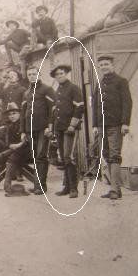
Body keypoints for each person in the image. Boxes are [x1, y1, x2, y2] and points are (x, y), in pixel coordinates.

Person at [92, 54, 133, 200]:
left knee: (115, 156)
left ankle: (115, 189)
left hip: (116, 125)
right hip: (102, 126)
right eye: (101, 65)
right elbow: (95, 106)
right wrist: (95, 125)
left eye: (106, 64)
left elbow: (127, 103)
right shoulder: (100, 83)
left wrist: (125, 123)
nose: (104, 67)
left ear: (112, 65)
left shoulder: (121, 81)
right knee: (107, 155)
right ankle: (113, 188)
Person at [51, 64, 84, 198]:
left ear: (67, 74)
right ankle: (67, 187)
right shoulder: (58, 89)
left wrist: (72, 124)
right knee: (63, 157)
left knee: (68, 157)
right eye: (57, 74)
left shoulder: (74, 88)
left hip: (69, 128)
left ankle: (74, 189)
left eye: (62, 73)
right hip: (59, 128)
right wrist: (53, 127)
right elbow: (55, 111)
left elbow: (80, 108)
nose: (59, 76)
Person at [20, 65, 55, 194]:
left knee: (41, 155)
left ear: (39, 75)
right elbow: (23, 113)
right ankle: (37, 185)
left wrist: (50, 127)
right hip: (30, 129)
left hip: (43, 128)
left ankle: (41, 186)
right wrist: (23, 130)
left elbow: (53, 110)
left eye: (34, 74)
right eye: (29, 74)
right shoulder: (26, 93)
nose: (32, 76)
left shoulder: (47, 89)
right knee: (35, 156)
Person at [0, 102, 31, 197]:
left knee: (13, 154)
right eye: (10, 114)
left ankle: (6, 185)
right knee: (13, 155)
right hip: (15, 153)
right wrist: (11, 145)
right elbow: (8, 141)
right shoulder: (9, 126)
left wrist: (18, 145)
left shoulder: (25, 124)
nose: (12, 116)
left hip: (27, 150)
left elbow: (28, 140)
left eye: (14, 113)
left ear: (19, 114)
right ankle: (4, 184)